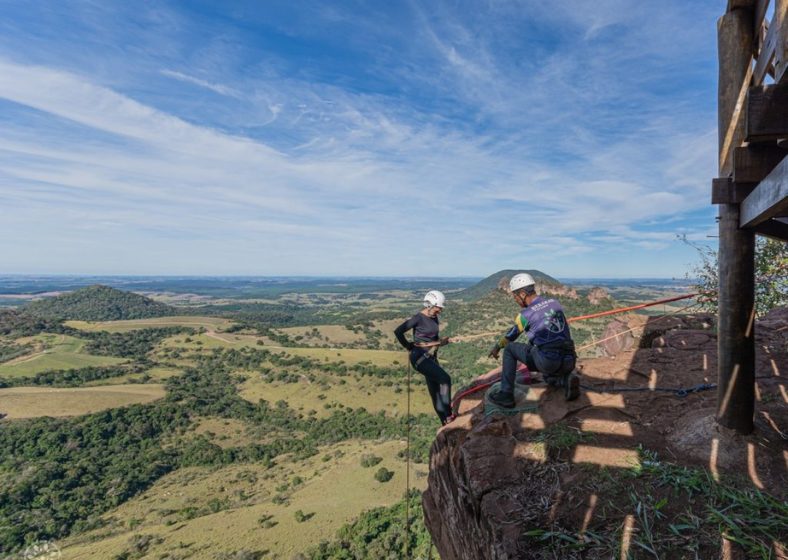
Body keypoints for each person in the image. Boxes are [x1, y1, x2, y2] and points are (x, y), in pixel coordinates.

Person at [487, 273, 580, 407]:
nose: (515, 300)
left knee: (509, 349)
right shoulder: (555, 302)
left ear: (523, 294)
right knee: (547, 377)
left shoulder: (525, 315)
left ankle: (506, 395)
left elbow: (510, 336)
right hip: (569, 359)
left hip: (549, 361)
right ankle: (565, 380)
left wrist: (497, 347)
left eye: (515, 296)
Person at [394, 290, 454, 425]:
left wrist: (442, 341)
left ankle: (444, 422)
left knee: (435, 392)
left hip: (430, 357)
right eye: (437, 310)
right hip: (419, 358)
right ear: (429, 305)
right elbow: (398, 331)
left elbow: (431, 338)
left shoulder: (434, 317)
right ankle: (449, 415)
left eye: (440, 311)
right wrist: (408, 346)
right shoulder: (418, 318)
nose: (438, 313)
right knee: (445, 379)